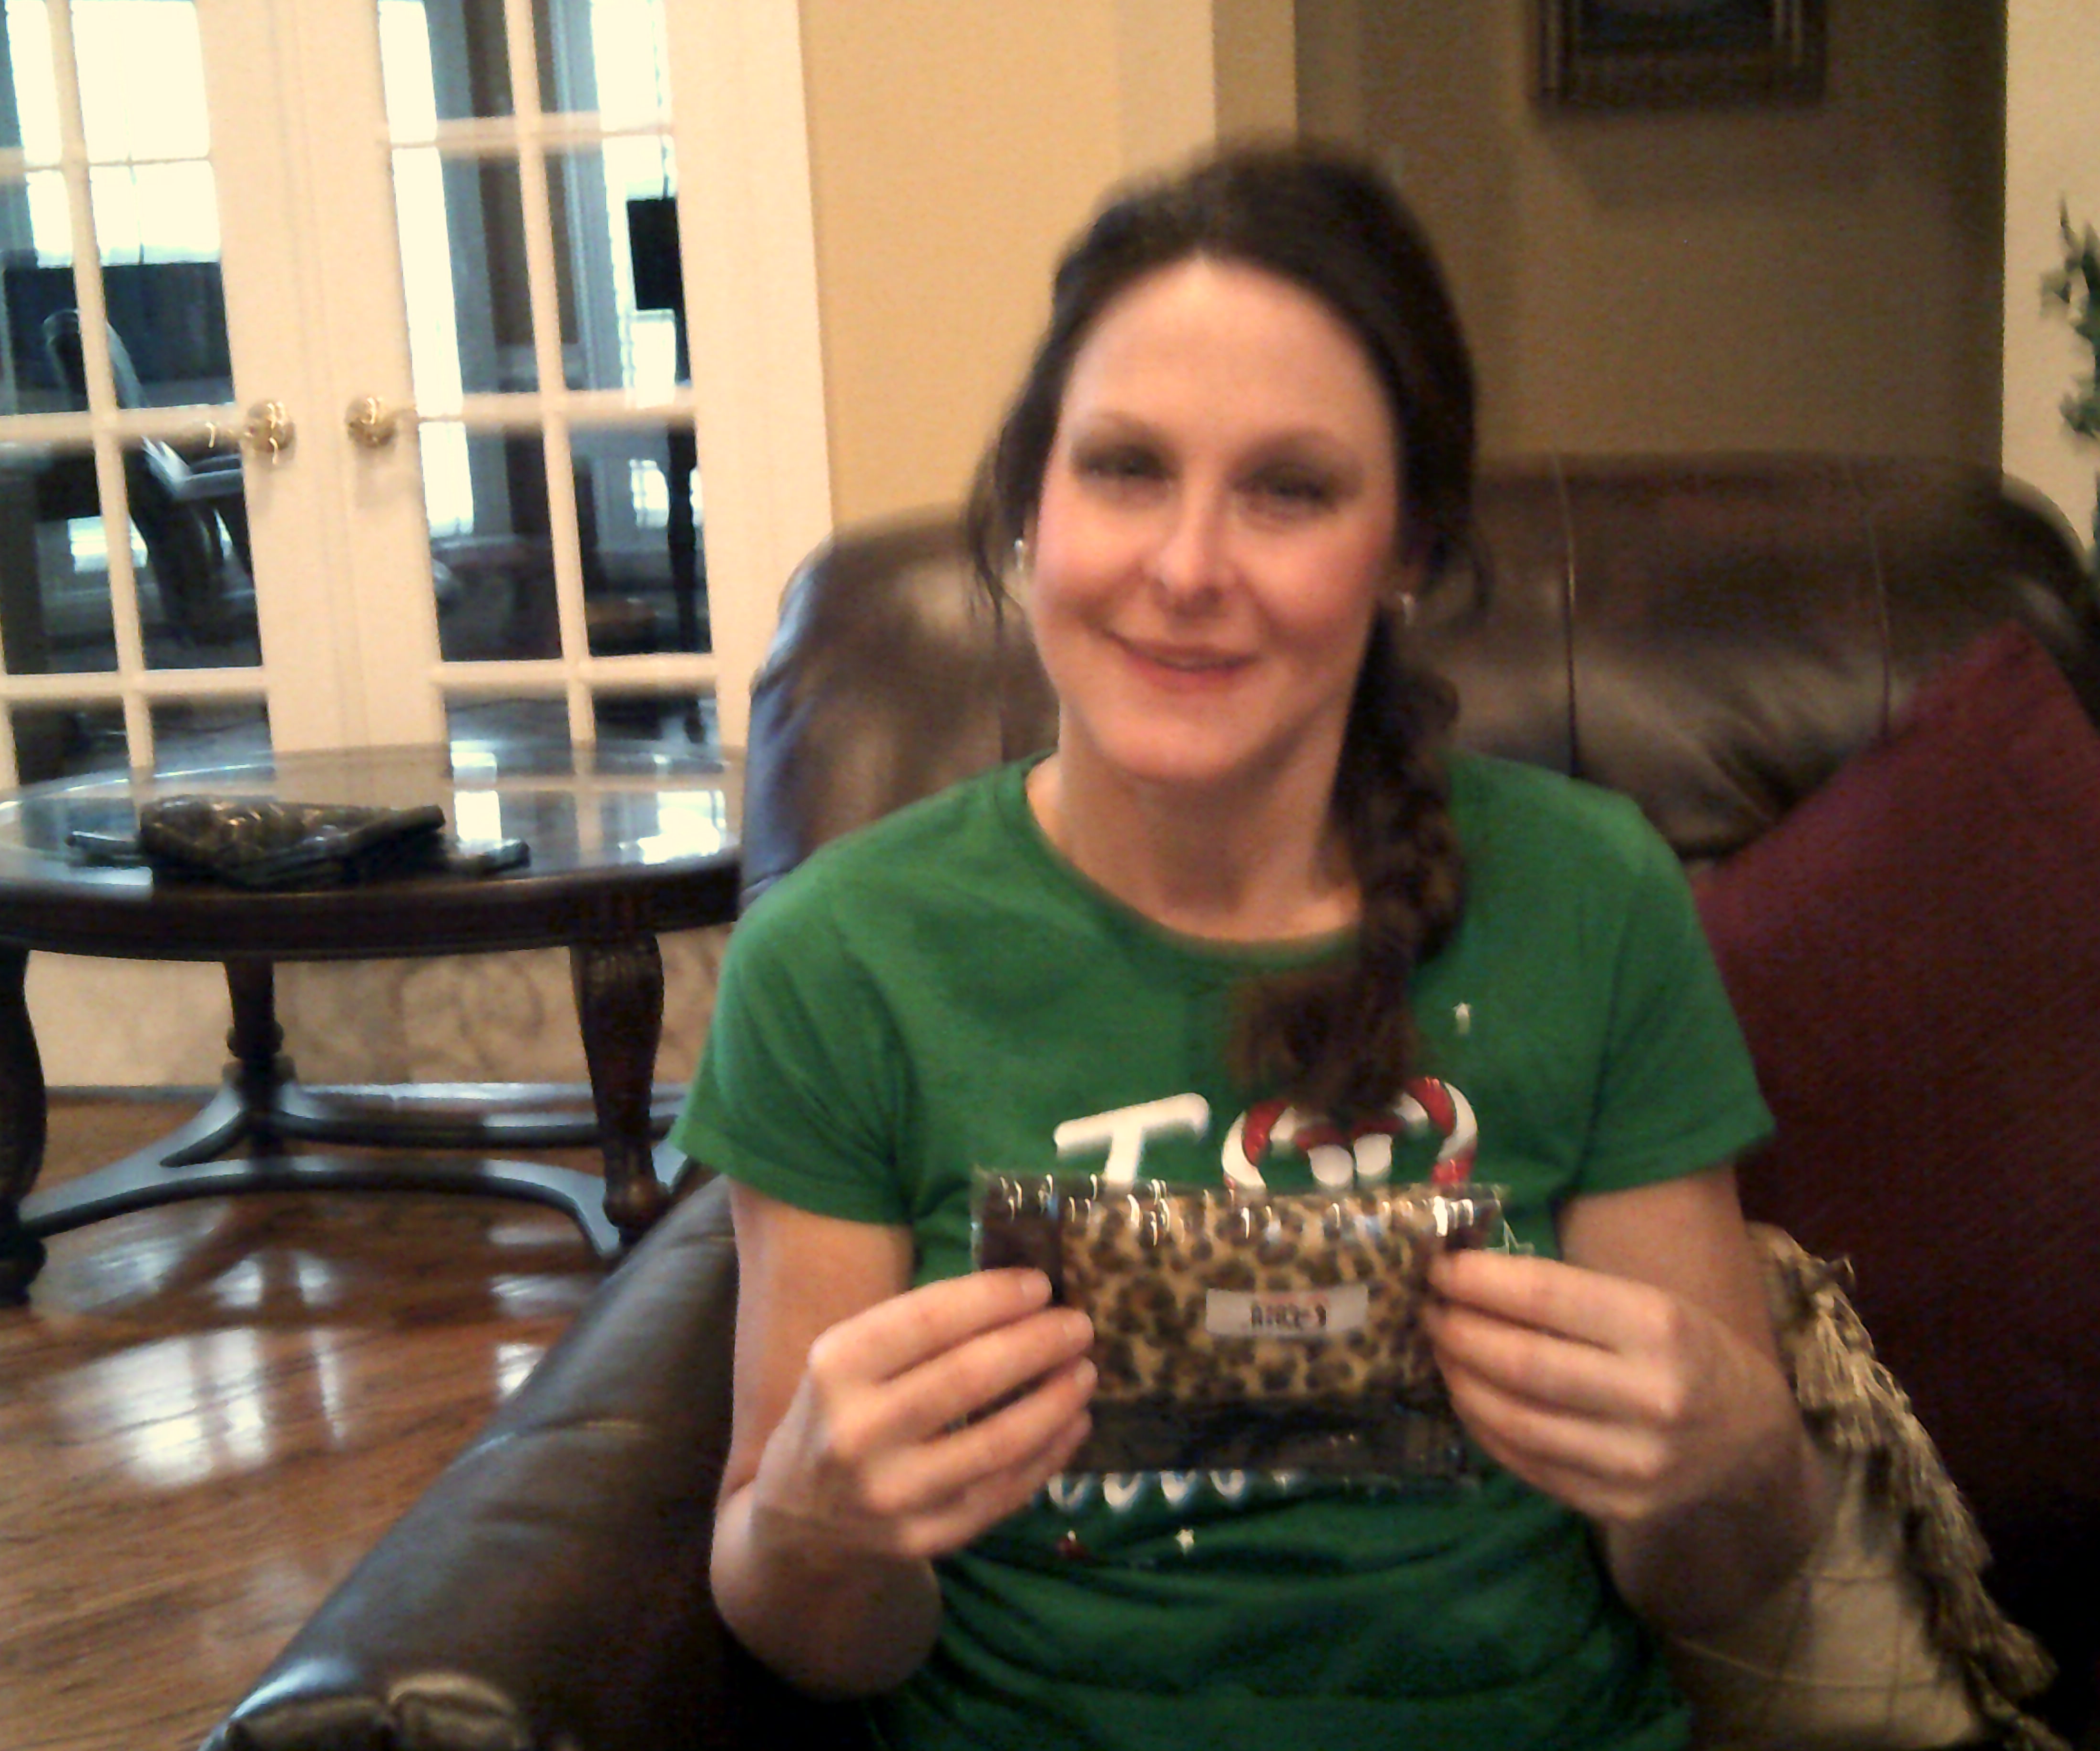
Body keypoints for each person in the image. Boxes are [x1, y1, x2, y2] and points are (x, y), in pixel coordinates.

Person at [676, 142, 1825, 1751]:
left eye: (1291, 488)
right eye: (1125, 468)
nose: (1188, 569)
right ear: (1030, 504)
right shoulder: (837, 961)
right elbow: (819, 1634)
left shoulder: (1596, 897)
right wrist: (816, 1525)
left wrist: (1732, 1465)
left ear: (1407, 548)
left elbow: (1720, 1571)